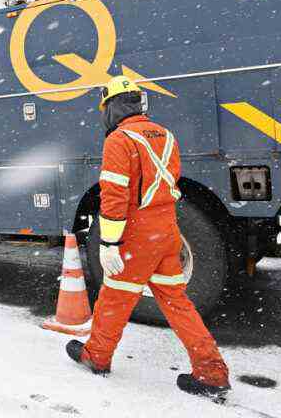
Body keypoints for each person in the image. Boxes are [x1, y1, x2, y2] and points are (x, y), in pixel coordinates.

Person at [65, 76, 231, 401]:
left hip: (136, 236)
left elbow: (114, 197)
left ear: (112, 108)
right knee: (177, 303)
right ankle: (212, 371)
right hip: (168, 231)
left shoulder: (119, 140)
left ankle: (97, 355)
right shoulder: (166, 135)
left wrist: (109, 243)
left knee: (114, 297)